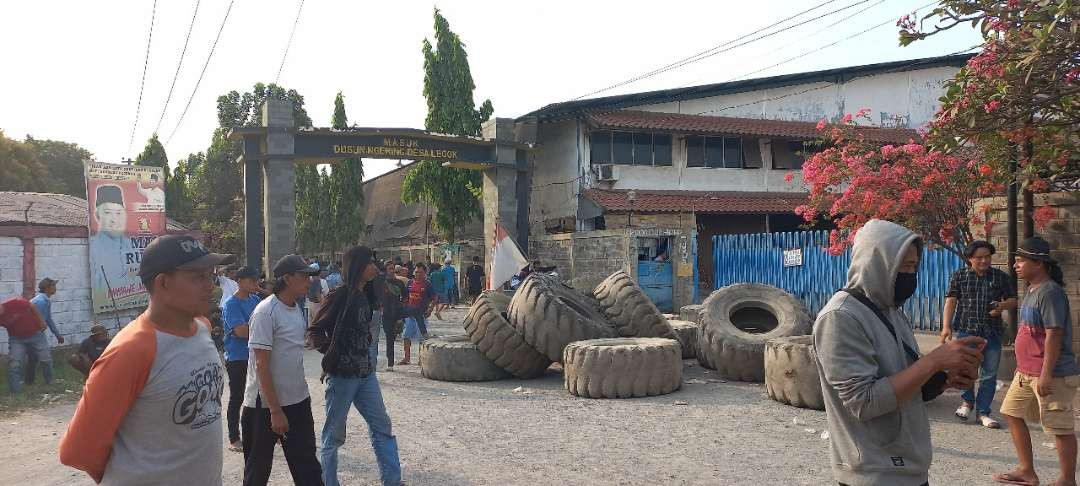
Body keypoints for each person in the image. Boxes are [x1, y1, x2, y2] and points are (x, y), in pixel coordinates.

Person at [814, 219, 984, 486]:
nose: (910, 274)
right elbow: (864, 402)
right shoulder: (841, 317)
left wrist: (945, 379)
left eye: (914, 266)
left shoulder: (892, 311)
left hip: (908, 467)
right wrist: (934, 360)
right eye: (902, 266)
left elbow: (904, 380)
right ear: (876, 263)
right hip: (873, 473)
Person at [58, 234, 235, 485]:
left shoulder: (202, 328)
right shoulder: (131, 350)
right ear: (163, 283)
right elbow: (77, 451)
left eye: (210, 275)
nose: (211, 285)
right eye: (198, 277)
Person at [309, 246, 402, 486]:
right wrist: (333, 353)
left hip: (365, 374)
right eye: (370, 263)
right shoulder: (339, 295)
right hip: (342, 376)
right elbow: (315, 331)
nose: (375, 267)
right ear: (357, 266)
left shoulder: (366, 294)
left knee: (382, 426)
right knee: (333, 435)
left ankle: (392, 481)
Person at [994, 237, 1079, 486]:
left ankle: (1066, 480)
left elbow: (1054, 335)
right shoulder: (1031, 289)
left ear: (1039, 263)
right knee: (1011, 413)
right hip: (1025, 372)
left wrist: (1045, 374)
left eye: (1021, 261)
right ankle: (1027, 471)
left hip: (1052, 374)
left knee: (1059, 428)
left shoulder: (1051, 292)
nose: (1015, 265)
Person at [241, 254, 323, 486]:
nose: (309, 281)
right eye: (304, 276)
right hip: (264, 406)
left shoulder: (296, 308)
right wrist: (275, 411)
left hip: (297, 401)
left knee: (307, 467)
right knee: (257, 471)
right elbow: (261, 364)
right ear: (287, 278)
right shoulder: (265, 312)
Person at [940, 240, 1017, 429]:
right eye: (979, 257)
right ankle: (967, 403)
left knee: (989, 374)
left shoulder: (1000, 277)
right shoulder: (960, 276)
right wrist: (946, 326)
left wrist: (1002, 306)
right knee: (965, 369)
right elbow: (951, 300)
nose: (984, 261)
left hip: (992, 333)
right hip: (967, 331)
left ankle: (983, 412)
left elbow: (1013, 300)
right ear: (970, 259)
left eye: (987, 257)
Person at [222, 266, 262, 453]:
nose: (256, 284)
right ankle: (234, 437)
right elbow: (241, 331)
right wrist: (263, 331)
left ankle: (263, 432)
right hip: (237, 357)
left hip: (256, 355)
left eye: (257, 280)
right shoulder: (231, 304)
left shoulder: (255, 300)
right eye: (252, 280)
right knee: (238, 396)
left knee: (260, 396)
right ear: (239, 280)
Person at [88, 185, 136, 309]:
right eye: (108, 213)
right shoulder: (94, 248)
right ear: (97, 215)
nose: (115, 219)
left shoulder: (131, 245)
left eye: (119, 213)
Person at [0, 296, 50, 395]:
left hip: (35, 333)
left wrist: (42, 321)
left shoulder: (14, 302)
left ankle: (50, 383)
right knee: (15, 364)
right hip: (16, 339)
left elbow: (32, 306)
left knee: (46, 359)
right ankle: (15, 393)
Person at [25, 277, 65, 385]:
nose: (55, 288)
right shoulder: (41, 301)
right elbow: (40, 321)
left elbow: (48, 319)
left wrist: (57, 335)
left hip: (32, 333)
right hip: (35, 333)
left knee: (33, 358)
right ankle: (50, 381)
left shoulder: (45, 300)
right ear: (47, 288)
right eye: (53, 285)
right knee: (45, 357)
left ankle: (29, 382)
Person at [398, 264, 436, 365]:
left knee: (421, 338)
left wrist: (430, 309)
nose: (417, 274)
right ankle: (407, 358)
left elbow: (434, 298)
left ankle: (421, 359)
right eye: (416, 272)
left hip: (421, 315)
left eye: (420, 272)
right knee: (406, 336)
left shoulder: (427, 285)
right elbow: (405, 297)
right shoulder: (410, 282)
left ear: (424, 273)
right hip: (409, 316)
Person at [379, 263, 407, 371]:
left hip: (398, 313)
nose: (391, 270)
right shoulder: (382, 283)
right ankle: (390, 363)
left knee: (396, 336)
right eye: (389, 269)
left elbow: (405, 297)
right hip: (386, 314)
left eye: (393, 268)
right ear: (385, 270)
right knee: (389, 338)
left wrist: (402, 309)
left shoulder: (399, 283)